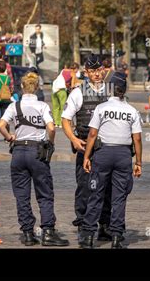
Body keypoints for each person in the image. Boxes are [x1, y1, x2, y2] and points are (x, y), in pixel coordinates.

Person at [0, 71, 69, 247]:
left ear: (22, 87)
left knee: (21, 195)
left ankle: (28, 233)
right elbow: (51, 128)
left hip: (18, 151)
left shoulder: (14, 106)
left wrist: (9, 137)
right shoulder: (42, 106)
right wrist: (49, 144)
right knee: (44, 193)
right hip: (36, 151)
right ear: (37, 88)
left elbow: (1, 125)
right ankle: (47, 232)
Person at [79, 72, 142, 248]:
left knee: (96, 195)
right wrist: (138, 162)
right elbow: (137, 139)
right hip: (123, 155)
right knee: (119, 198)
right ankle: (116, 237)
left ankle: (89, 236)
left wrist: (86, 156)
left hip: (103, 153)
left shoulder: (102, 108)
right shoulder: (132, 111)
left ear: (111, 89)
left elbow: (92, 134)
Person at [61, 54, 113, 240]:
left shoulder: (112, 91)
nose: (97, 74)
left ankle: (105, 224)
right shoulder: (78, 92)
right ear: (86, 72)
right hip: (85, 147)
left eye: (99, 70)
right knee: (85, 187)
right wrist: (74, 139)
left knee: (107, 187)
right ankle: (83, 223)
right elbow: (65, 119)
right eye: (93, 71)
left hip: (107, 147)